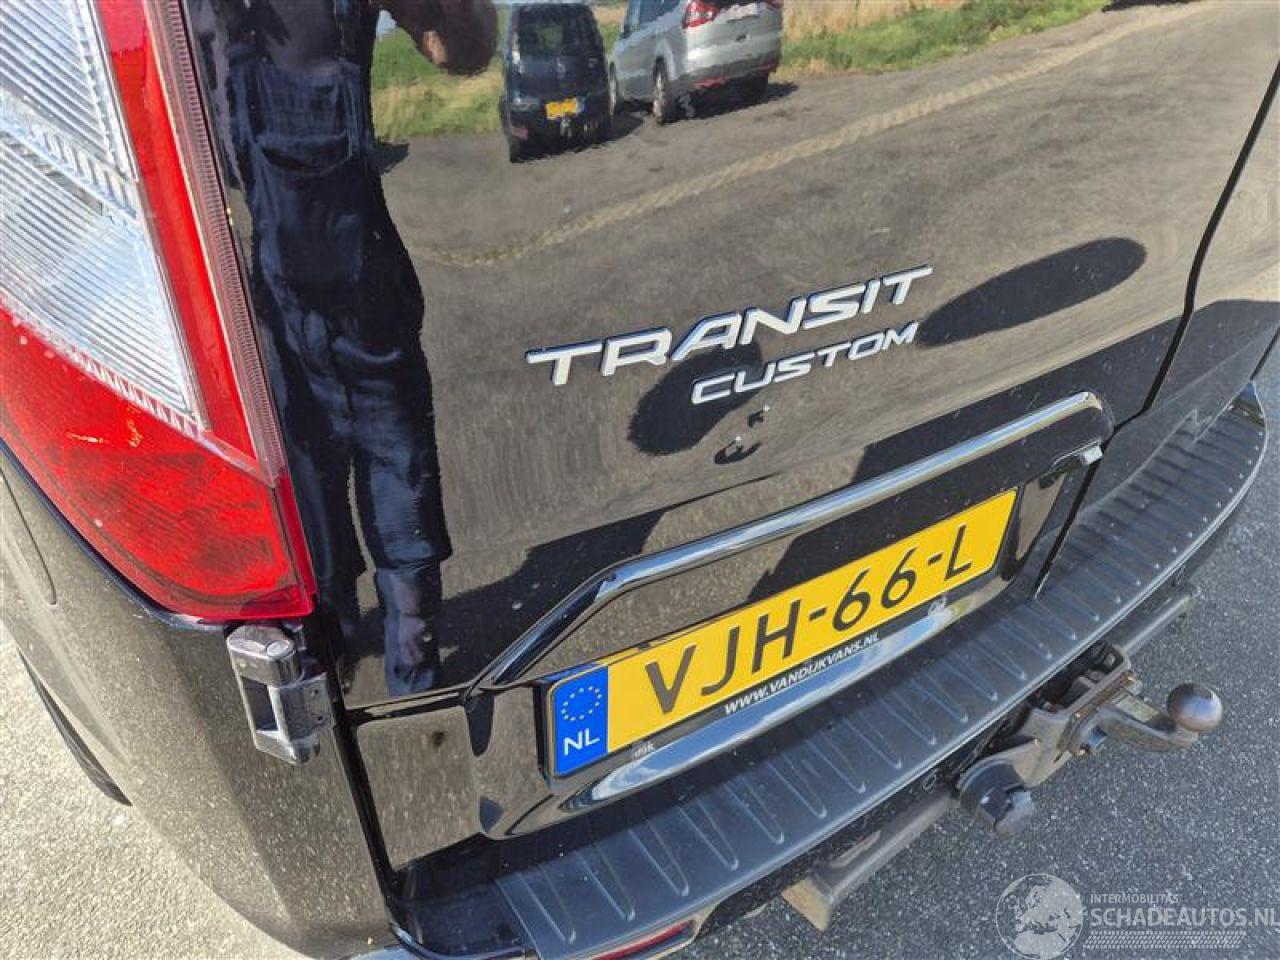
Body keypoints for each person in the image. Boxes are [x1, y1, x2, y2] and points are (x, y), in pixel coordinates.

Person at [222, 0, 495, 694]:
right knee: (305, 487)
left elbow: (463, 51)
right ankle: (330, 645)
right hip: (266, 300)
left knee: (399, 475)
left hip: (368, 290)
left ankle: (414, 674)